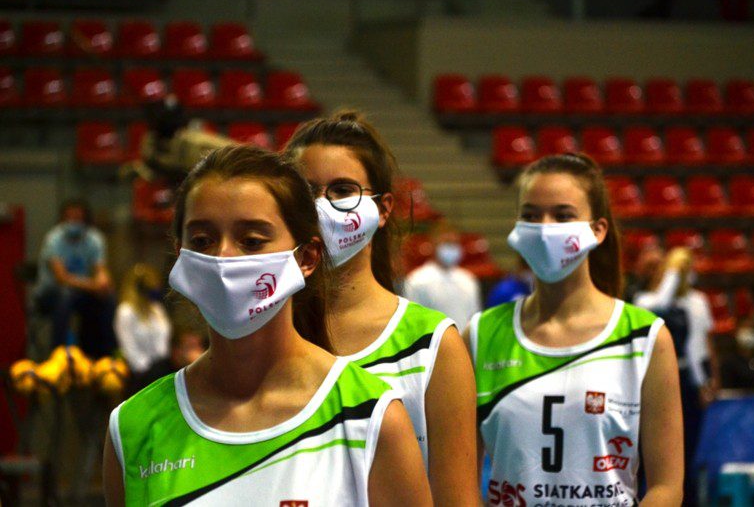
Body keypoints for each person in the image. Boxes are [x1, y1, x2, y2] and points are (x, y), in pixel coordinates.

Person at [103, 145, 432, 506]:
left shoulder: (372, 417)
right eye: (202, 241)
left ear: (307, 257)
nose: (223, 257)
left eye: (251, 241)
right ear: (181, 254)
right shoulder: (132, 427)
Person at [284, 111, 480, 506]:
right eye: (307, 191)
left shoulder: (434, 346)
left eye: (343, 190)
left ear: (384, 208)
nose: (322, 206)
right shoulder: (264, 334)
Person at [465, 153, 683, 505]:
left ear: (598, 229)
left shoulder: (645, 338)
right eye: (530, 216)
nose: (545, 228)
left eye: (563, 215)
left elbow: (666, 487)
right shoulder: (479, 335)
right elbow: (458, 485)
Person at [633, 246, 713, 506]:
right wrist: (673, 274)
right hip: (651, 382)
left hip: (687, 381)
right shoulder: (643, 301)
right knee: (645, 458)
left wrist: (703, 383)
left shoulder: (695, 302)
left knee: (685, 456)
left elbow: (696, 348)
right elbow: (659, 307)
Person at [35, 198, 116, 358]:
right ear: (62, 219)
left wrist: (103, 281)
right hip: (50, 295)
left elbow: (100, 270)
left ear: (86, 219)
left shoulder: (94, 238)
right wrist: (94, 286)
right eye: (70, 217)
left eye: (77, 218)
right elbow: (62, 278)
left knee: (108, 298)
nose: (74, 222)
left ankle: (102, 355)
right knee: (65, 295)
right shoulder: (54, 239)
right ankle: (58, 354)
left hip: (80, 293)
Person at [403, 220, 483, 331]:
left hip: (462, 340)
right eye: (447, 243)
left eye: (455, 243)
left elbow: (474, 319)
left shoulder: (468, 280)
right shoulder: (417, 281)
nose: (451, 247)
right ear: (434, 244)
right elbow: (413, 321)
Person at [114, 263, 172, 392]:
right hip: (141, 373)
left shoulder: (157, 309)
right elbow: (129, 348)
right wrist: (148, 372)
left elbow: (165, 341)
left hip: (163, 367)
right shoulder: (125, 312)